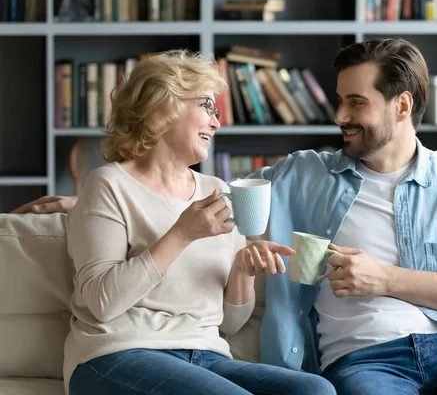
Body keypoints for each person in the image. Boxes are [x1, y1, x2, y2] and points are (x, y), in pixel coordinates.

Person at [14, 39, 437, 394]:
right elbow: (163, 200)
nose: (338, 116)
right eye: (339, 100)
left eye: (355, 102)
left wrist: (380, 279)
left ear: (402, 105)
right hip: (363, 362)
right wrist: (83, 203)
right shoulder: (306, 174)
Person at [16, 50, 336, 395]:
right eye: (206, 107)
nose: (216, 122)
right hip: (117, 354)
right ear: (162, 106)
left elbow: (230, 323)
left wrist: (242, 269)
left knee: (315, 391)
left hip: (206, 356)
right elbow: (101, 303)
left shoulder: (217, 191)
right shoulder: (108, 184)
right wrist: (181, 234)